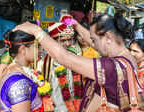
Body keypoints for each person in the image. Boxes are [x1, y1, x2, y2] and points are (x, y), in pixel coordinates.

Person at [12, 13, 144, 112]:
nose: (92, 44)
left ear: (108, 37)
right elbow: (96, 42)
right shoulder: (126, 57)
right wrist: (76, 24)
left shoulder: (111, 67)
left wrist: (37, 32)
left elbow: (64, 57)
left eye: (94, 40)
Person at [41, 15, 83, 112]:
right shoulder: (45, 62)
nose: (68, 44)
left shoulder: (74, 56)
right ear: (53, 41)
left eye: (70, 39)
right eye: (63, 40)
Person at [0, 30, 44, 112]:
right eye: (37, 46)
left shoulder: (20, 70)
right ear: (23, 49)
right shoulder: (19, 82)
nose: (41, 50)